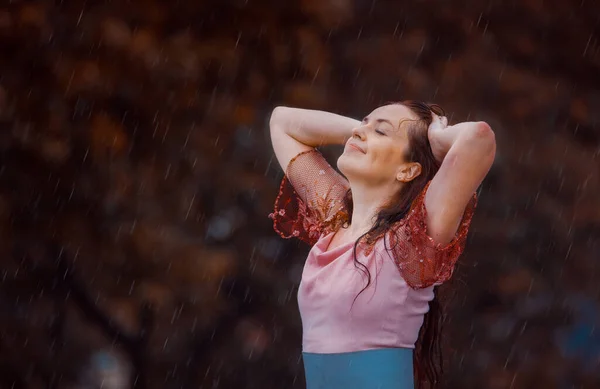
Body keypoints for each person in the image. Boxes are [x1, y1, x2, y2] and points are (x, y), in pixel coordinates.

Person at [268, 101, 496, 389]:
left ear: (408, 170)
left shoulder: (411, 242)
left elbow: (479, 138)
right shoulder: (336, 219)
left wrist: (434, 139)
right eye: (365, 122)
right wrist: (361, 132)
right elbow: (283, 122)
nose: (362, 132)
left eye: (382, 132)